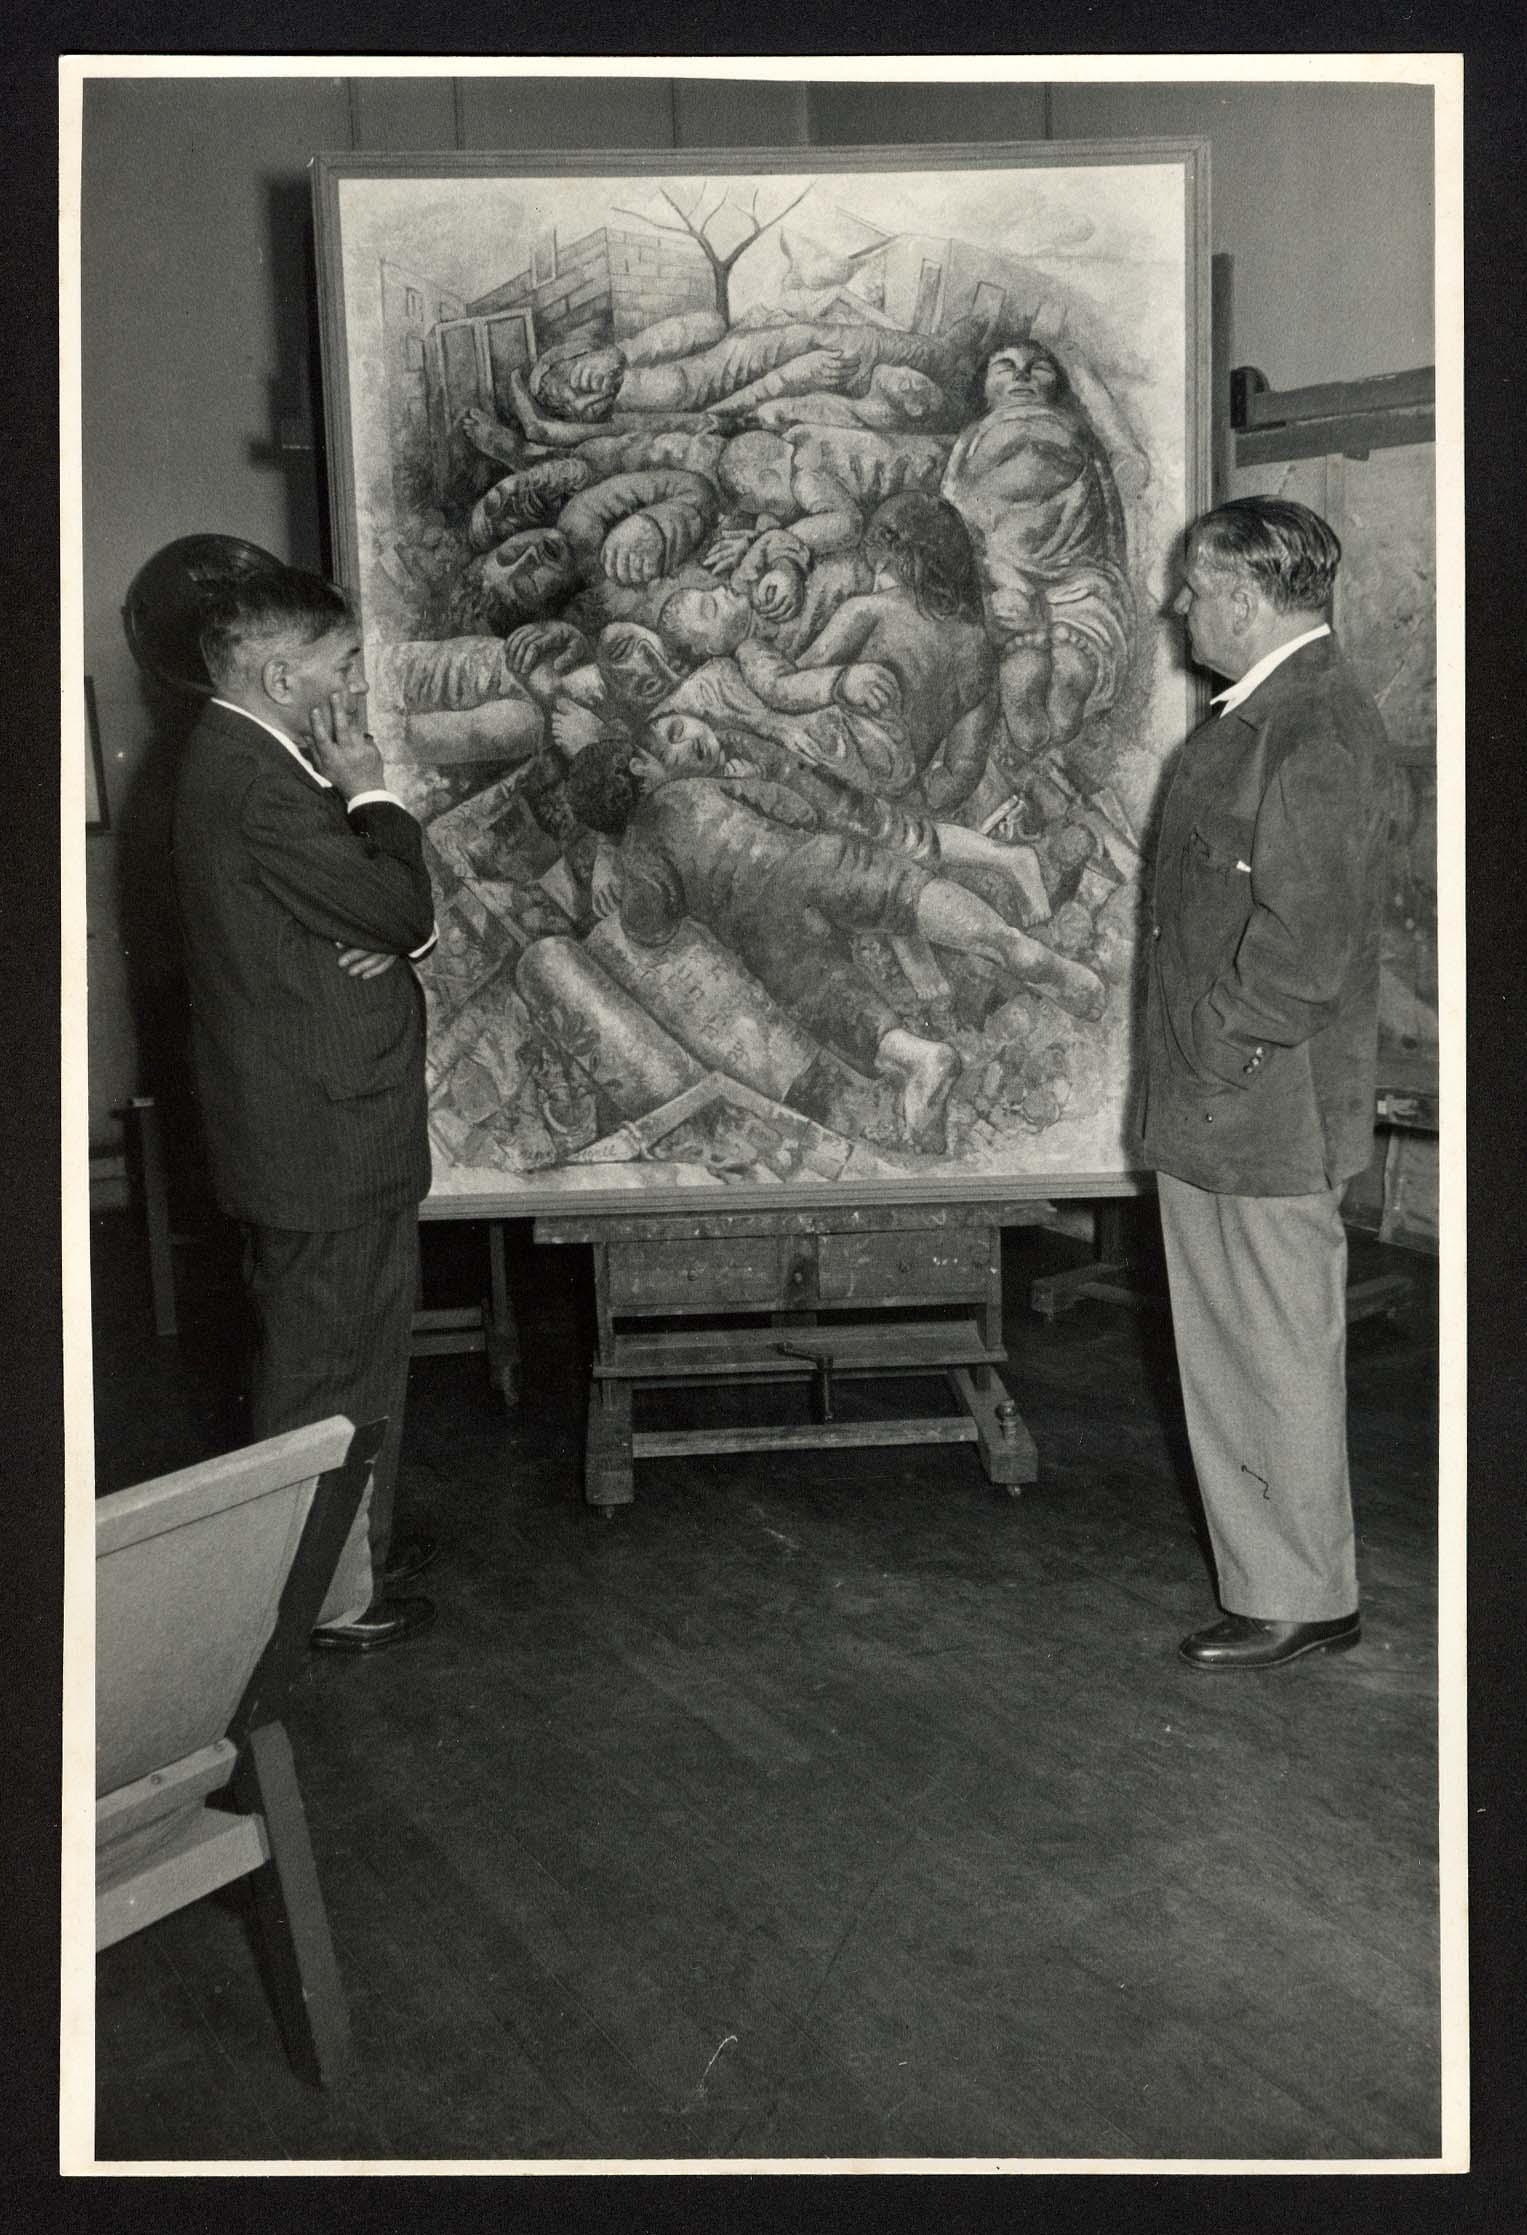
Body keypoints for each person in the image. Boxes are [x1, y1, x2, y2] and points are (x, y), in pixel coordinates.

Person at [172, 566, 440, 1652]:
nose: (357, 682)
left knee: (331, 1354)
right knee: (334, 1364)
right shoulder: (265, 785)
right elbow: (403, 911)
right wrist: (372, 797)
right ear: (282, 678)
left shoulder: (246, 761)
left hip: (311, 1123)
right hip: (327, 1131)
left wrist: (376, 924)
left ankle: (341, 1558)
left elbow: (376, 920)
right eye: (344, 663)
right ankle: (323, 1599)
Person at [1142, 497, 1389, 1672]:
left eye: (1196, 589)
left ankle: (1302, 1597)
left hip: (1260, 1104)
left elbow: (1306, 950)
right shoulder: (1266, 717)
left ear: (1245, 597)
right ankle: (1275, 1587)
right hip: (1230, 1102)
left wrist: (1216, 1050)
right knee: (1237, 1352)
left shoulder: (1314, 729)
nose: (1180, 607)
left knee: (1272, 1349)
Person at [567, 710, 1102, 1152]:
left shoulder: (637, 855)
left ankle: (915, 1057)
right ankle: (1012, 945)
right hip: (814, 860)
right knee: (906, 894)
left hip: (763, 928)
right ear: (640, 764)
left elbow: (648, 927)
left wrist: (624, 865)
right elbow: (790, 805)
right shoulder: (697, 790)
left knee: (825, 995)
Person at [941, 340, 1135, 770]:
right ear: (984, 388)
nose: (1022, 375)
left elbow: (1109, 511)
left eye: (1039, 367)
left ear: (1057, 385)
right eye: (1005, 367)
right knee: (1021, 673)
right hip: (1003, 570)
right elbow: (955, 509)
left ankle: (1065, 690)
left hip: (1076, 571)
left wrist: (1108, 564)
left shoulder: (1076, 431)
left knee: (1072, 670)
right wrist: (989, 572)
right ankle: (1024, 703)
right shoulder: (973, 437)